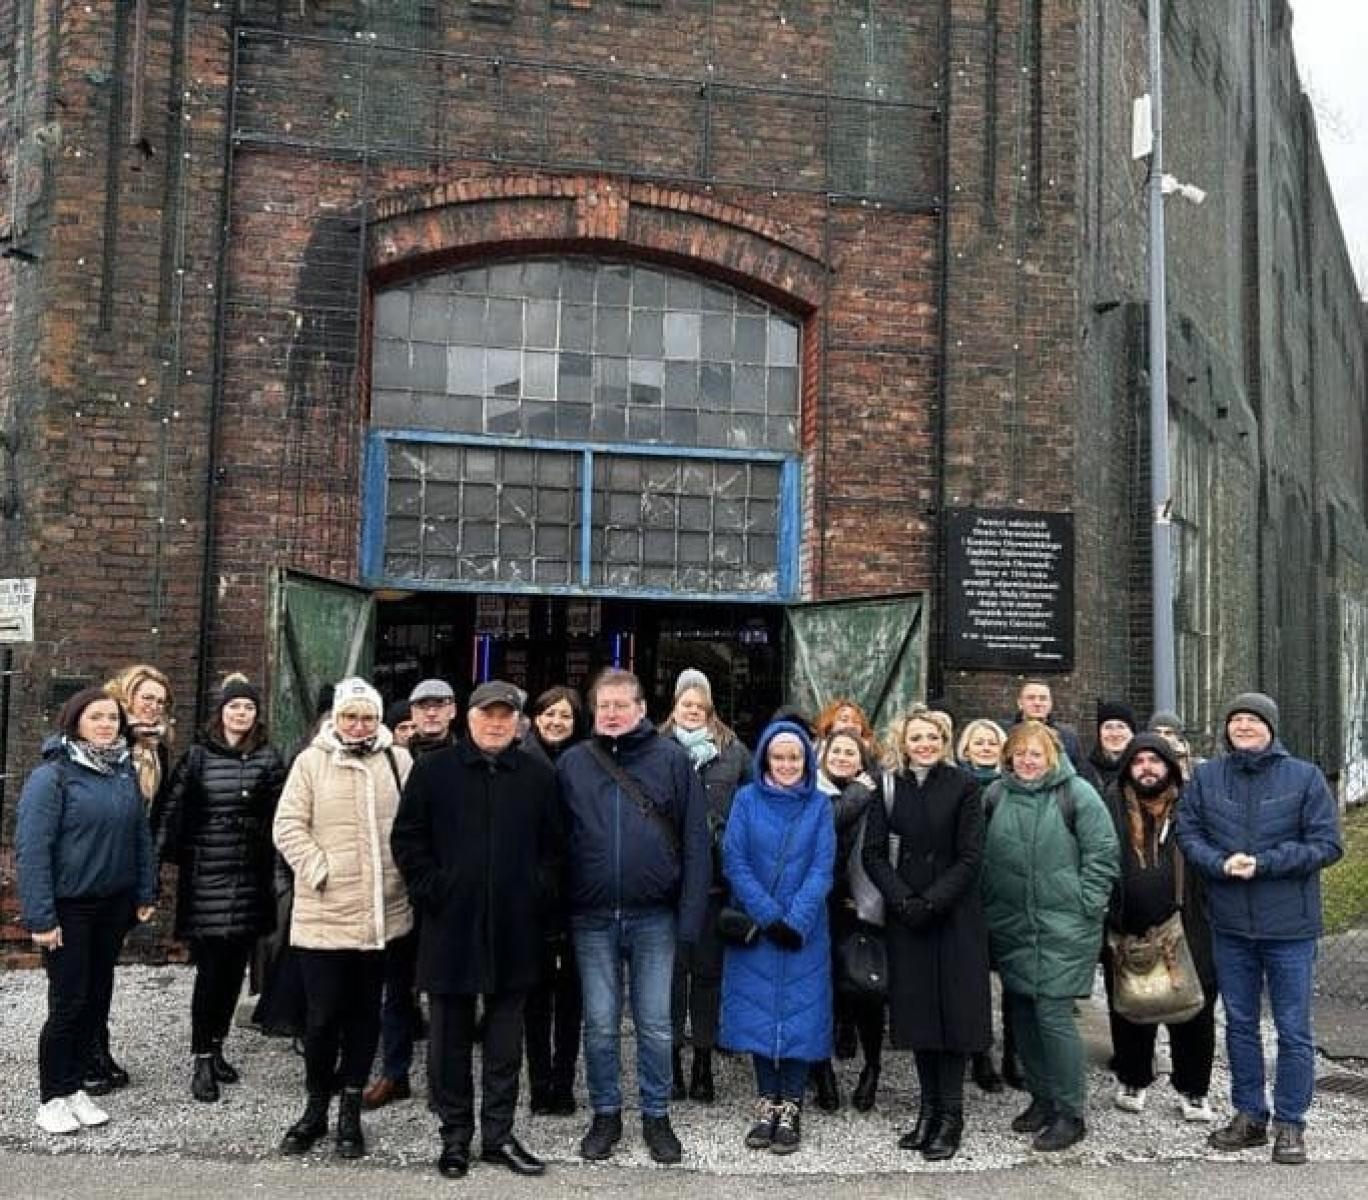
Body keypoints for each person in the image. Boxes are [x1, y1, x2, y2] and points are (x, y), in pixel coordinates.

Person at [391, 680, 562, 1180]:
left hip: (515, 929)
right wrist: (435, 889)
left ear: (517, 723)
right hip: (451, 927)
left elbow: (555, 849)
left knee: (506, 1043)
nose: (496, 723)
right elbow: (408, 840)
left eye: (506, 716)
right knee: (448, 1040)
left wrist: (536, 891)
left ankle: (499, 1135)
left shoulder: (537, 775)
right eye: (488, 714)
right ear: (468, 718)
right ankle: (455, 1136)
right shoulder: (434, 772)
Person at [1176, 692, 1343, 1166]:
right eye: (1236, 721)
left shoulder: (1305, 777)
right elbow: (1189, 834)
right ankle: (1250, 1115)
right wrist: (1219, 863)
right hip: (1230, 927)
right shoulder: (1208, 777)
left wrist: (1264, 864)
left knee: (1293, 1029)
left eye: (1253, 720)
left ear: (1270, 727)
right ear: (1227, 729)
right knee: (1241, 1025)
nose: (1244, 727)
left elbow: (1327, 844)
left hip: (1289, 927)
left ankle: (1291, 1123)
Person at [556, 668, 710, 1166]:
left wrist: (689, 920)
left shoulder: (672, 760)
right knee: (599, 1024)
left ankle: (656, 1114)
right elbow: (555, 844)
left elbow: (695, 842)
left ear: (643, 709)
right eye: (604, 706)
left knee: (657, 1024)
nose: (613, 714)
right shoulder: (574, 763)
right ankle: (605, 1113)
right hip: (591, 917)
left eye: (623, 705)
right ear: (593, 711)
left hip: (654, 917)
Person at [272, 677, 413, 1160]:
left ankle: (350, 1110)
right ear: (335, 718)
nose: (358, 725)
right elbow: (287, 825)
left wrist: (403, 874)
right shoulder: (312, 762)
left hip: (382, 914)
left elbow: (414, 826)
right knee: (321, 1017)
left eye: (367, 717)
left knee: (364, 1015)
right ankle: (314, 1108)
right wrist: (319, 870)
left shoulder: (398, 760)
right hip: (325, 913)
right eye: (349, 716)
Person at [16, 687, 158, 1134]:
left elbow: (139, 835)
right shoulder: (53, 776)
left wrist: (145, 890)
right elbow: (32, 850)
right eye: (95, 717)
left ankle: (75, 1087)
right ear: (75, 721)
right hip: (69, 909)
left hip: (112, 907)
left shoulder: (121, 772)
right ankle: (51, 1097)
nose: (105, 725)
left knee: (96, 1001)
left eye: (113, 718)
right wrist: (41, 918)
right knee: (68, 1004)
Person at [981, 720, 1118, 1153]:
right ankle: (1041, 1098)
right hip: (1011, 924)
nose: (1026, 761)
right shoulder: (996, 795)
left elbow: (1103, 855)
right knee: (1021, 1012)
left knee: (1053, 1015)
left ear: (1052, 756)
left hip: (1065, 925)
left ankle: (1070, 1111)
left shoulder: (1076, 795)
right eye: (1019, 754)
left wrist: (1086, 904)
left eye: (1035, 754)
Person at [863, 707, 990, 1161]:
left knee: (952, 1016)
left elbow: (971, 857)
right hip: (907, 917)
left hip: (953, 917)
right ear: (903, 741)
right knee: (918, 1018)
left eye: (932, 737)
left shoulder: (965, 787)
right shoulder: (889, 786)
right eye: (916, 737)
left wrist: (932, 901)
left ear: (944, 740)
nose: (925, 744)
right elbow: (874, 853)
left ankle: (950, 1115)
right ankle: (927, 1110)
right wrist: (902, 901)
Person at [157, 674, 286, 1102]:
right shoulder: (197, 756)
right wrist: (157, 868)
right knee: (210, 973)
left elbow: (282, 813)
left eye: (248, 707)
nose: (241, 714)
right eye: (234, 707)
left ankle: (218, 1048)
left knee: (233, 975)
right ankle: (200, 1058)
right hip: (208, 875)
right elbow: (172, 812)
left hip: (250, 876)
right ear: (222, 711)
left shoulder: (268, 758)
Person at [719, 721, 835, 1155]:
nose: (786, 764)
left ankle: (792, 1106)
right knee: (760, 1016)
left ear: (805, 760)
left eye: (794, 757)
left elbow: (823, 867)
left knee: (802, 1016)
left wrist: (797, 919)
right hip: (758, 926)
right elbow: (735, 860)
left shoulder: (819, 805)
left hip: (804, 929)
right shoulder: (746, 800)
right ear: (765, 757)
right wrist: (769, 916)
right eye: (779, 756)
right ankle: (766, 1102)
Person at [1102, 732, 1216, 1122]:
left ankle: (1194, 1087)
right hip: (1127, 924)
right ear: (1128, 768)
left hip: (1189, 924)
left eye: (1155, 761)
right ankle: (1134, 1077)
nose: (1147, 769)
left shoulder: (1191, 808)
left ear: (1170, 767)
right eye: (1138, 761)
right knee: (1131, 1007)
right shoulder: (1111, 806)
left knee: (1193, 1010)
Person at [660, 668, 752, 1106]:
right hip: (669, 885)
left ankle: (703, 1061)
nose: (693, 710)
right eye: (686, 703)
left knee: (708, 977)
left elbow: (752, 803)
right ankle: (673, 1061)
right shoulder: (655, 748)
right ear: (675, 706)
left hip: (715, 882)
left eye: (700, 704)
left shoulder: (733, 750)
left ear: (710, 707)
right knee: (672, 977)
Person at [362, 677, 454, 1112]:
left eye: (439, 705)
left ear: (453, 710)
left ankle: (443, 1081)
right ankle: (394, 1073)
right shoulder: (390, 760)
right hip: (401, 888)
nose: (431, 714)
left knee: (445, 991)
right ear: (410, 714)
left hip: (449, 893)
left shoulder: (466, 756)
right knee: (396, 988)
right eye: (423, 707)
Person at [83, 663, 172, 1094]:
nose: (153, 706)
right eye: (146, 697)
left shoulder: (157, 749)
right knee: (82, 972)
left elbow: (151, 819)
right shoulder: (106, 744)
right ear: (126, 697)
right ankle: (84, 1056)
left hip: (126, 871)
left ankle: (97, 1049)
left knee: (104, 969)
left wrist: (147, 876)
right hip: (93, 869)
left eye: (160, 700)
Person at [521, 685, 586, 1116]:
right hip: (531, 897)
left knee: (571, 998)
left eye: (565, 715)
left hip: (578, 895)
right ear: (535, 717)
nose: (556, 722)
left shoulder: (586, 763)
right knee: (535, 997)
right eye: (549, 714)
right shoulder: (519, 761)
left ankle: (563, 1082)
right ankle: (539, 1083)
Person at [819, 727, 882, 1112]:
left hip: (861, 904)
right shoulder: (815, 792)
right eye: (836, 751)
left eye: (850, 752)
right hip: (822, 904)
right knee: (821, 992)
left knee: (866, 991)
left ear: (862, 760)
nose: (843, 757)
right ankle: (821, 1071)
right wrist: (858, 792)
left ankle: (872, 1067)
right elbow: (827, 823)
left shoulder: (877, 798)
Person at [954, 716, 1011, 1093]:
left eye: (992, 742)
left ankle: (1014, 1054)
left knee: (1011, 978)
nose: (986, 747)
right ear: (966, 748)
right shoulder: (958, 785)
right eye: (979, 742)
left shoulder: (1012, 786)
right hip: (968, 893)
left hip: (1006, 894)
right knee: (972, 982)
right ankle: (979, 1053)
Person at [1008, 680, 1083, 769]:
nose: (1037, 703)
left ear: (1050, 704)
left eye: (1043, 698)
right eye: (1031, 698)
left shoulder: (1068, 736)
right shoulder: (1005, 732)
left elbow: (1079, 769)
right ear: (1020, 703)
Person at [1081, 701, 1137, 794]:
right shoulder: (1084, 772)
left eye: (1121, 727)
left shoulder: (1142, 769)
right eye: (1108, 727)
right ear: (1099, 733)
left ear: (1132, 733)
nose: (1114, 734)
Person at [1148, 709, 1198, 781]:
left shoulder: (1194, 765)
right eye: (1157, 732)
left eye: (1168, 733)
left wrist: (1183, 760)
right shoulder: (1143, 758)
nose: (1162, 736)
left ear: (1177, 737)